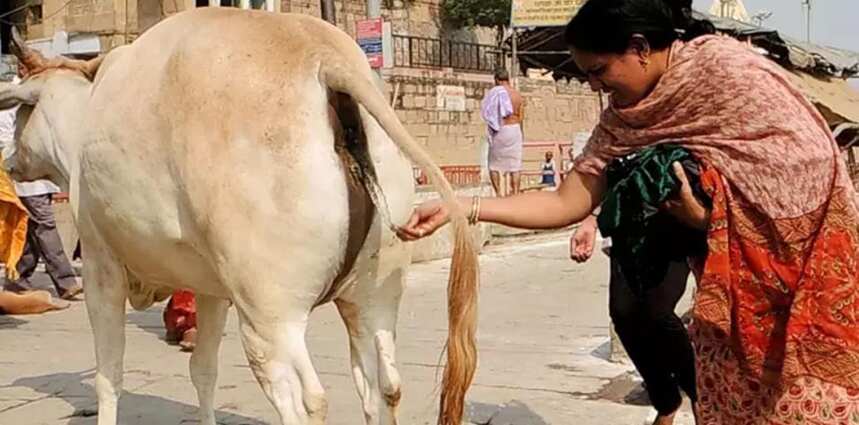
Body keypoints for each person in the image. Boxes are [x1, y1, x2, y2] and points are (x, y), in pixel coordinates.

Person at [397, 1, 859, 424]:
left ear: (639, 49)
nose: (596, 87)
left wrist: (706, 218)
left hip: (807, 288)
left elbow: (808, 166)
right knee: (719, 391)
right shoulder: (625, 120)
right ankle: (671, 402)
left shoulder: (725, 71)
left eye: (600, 71)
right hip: (728, 308)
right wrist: (464, 206)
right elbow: (566, 200)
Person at [572, 215, 696, 425]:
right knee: (623, 314)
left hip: (681, 221)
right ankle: (667, 400)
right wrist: (592, 219)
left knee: (658, 310)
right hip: (628, 227)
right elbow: (607, 182)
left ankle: (698, 394)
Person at [0, 74, 81, 301]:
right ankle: (66, 282)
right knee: (45, 224)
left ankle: (17, 280)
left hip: (44, 173)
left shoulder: (49, 93)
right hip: (20, 170)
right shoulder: (15, 94)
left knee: (31, 227)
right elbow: (8, 137)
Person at [481, 69, 525, 197]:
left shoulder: (494, 92)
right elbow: (521, 116)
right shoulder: (517, 94)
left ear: (496, 80)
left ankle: (499, 194)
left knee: (493, 165)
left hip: (501, 129)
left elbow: (487, 111)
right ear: (508, 79)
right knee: (515, 165)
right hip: (515, 129)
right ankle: (516, 193)